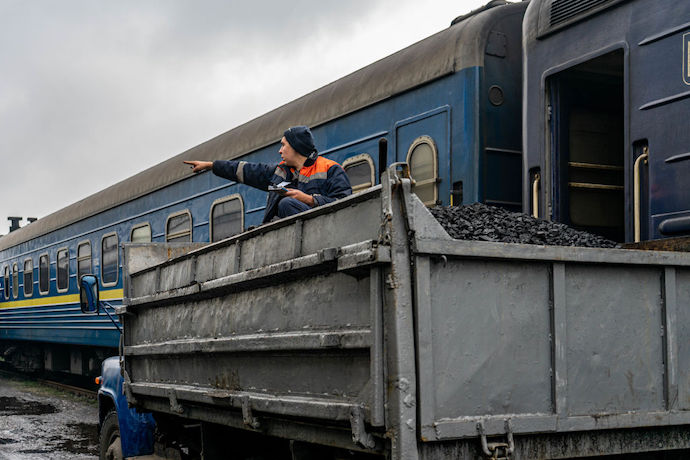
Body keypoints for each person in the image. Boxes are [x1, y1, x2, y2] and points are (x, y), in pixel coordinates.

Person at [184, 126, 352, 223]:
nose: (280, 151)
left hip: (324, 228)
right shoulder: (279, 172)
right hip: (291, 235)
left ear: (296, 147)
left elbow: (347, 204)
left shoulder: (331, 169)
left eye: (283, 145)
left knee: (287, 204)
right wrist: (211, 165)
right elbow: (245, 170)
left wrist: (309, 199)